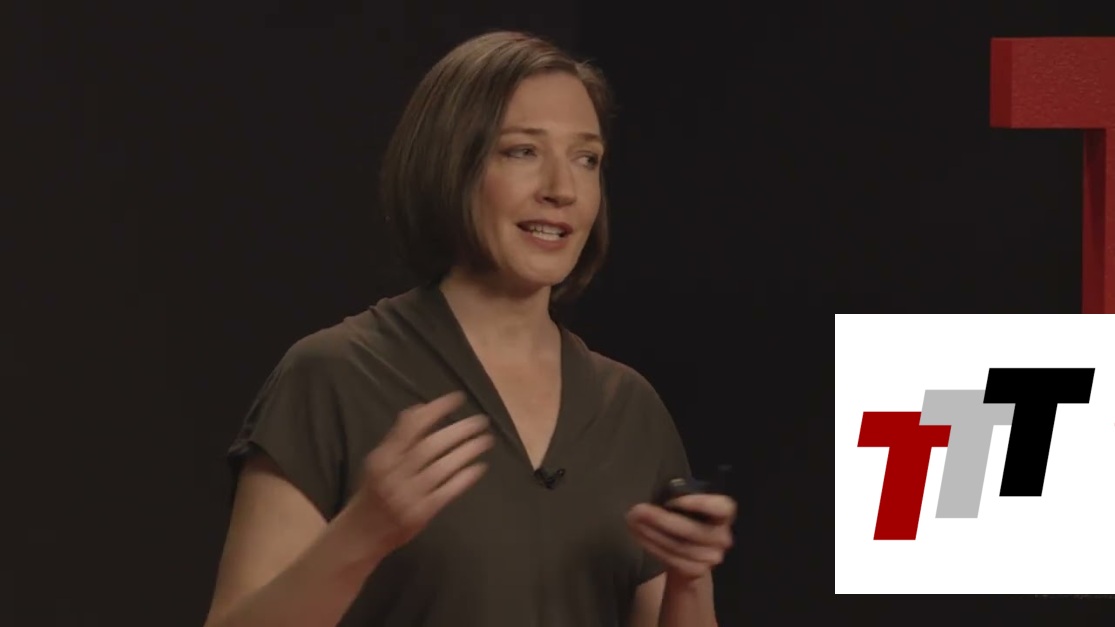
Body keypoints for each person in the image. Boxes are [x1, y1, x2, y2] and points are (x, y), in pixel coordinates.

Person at [202, 30, 737, 627]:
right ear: (451, 165)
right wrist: (362, 534)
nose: (562, 189)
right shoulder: (333, 376)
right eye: (522, 151)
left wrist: (691, 579)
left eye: (586, 158)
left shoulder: (632, 410)